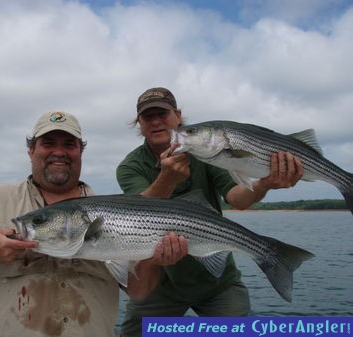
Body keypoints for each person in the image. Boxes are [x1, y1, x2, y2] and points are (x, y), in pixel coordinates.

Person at [0, 111, 188, 337]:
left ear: (80, 151)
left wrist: (154, 260)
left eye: (69, 144)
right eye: (48, 143)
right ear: (31, 150)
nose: (59, 152)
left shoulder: (112, 212)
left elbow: (139, 292)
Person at [116, 87, 304, 337]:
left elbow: (238, 198)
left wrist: (265, 183)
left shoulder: (208, 152)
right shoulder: (130, 166)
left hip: (217, 283)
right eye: (147, 117)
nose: (156, 121)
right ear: (139, 124)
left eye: (162, 113)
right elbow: (136, 214)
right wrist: (167, 179)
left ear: (178, 116)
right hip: (160, 284)